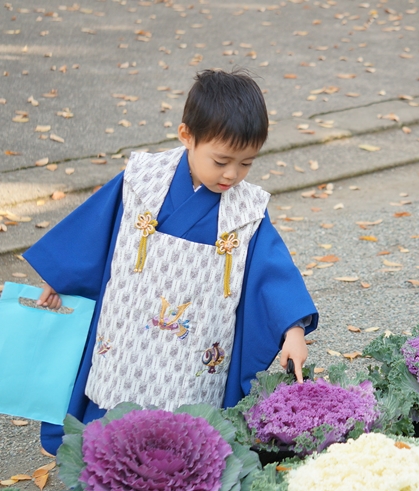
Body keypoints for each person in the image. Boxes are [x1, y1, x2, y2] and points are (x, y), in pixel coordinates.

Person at [24, 68, 318, 454]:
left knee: (188, 417)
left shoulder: (247, 210)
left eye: (246, 163)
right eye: (222, 160)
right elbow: (95, 231)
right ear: (186, 136)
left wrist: (291, 329)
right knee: (114, 396)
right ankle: (104, 459)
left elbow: (271, 272)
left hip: (198, 344)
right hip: (128, 326)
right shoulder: (142, 180)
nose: (232, 174)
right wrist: (59, 276)